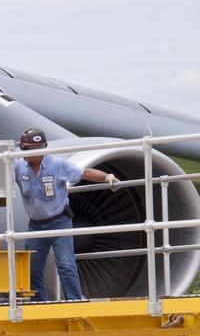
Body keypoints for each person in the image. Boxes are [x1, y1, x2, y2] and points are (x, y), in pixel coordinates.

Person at [13, 128, 120, 301]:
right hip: (35, 226)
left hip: (59, 222)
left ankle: (74, 302)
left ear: (42, 148)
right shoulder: (18, 166)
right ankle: (39, 305)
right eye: (23, 148)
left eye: (28, 149)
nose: (24, 153)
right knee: (32, 270)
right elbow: (0, 176)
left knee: (66, 266)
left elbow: (84, 173)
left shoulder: (57, 165)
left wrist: (107, 177)